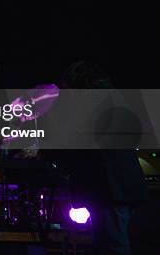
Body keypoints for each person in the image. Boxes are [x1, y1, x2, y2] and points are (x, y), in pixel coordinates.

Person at [58, 61, 149, 255]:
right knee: (113, 244)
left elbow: (85, 146)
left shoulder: (98, 105)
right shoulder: (111, 99)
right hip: (117, 189)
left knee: (113, 246)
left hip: (111, 190)